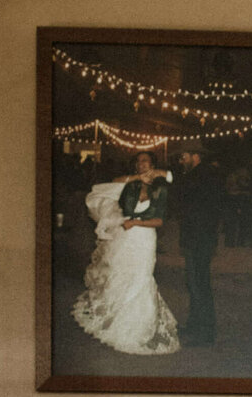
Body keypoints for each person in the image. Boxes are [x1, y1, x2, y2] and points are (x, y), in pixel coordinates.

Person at [72, 150, 179, 356]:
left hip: (144, 238)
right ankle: (115, 316)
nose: (141, 164)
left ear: (153, 165)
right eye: (138, 162)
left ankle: (139, 328)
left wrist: (137, 222)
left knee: (140, 278)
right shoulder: (129, 185)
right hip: (124, 237)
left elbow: (159, 220)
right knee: (120, 274)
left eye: (146, 161)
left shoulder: (159, 189)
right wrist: (139, 178)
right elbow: (106, 186)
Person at [175, 146, 223, 346]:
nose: (181, 160)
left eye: (183, 156)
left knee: (199, 283)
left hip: (199, 237)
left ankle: (205, 332)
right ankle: (195, 324)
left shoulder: (202, 175)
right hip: (197, 236)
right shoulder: (199, 174)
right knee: (194, 282)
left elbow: (196, 205)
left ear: (196, 156)